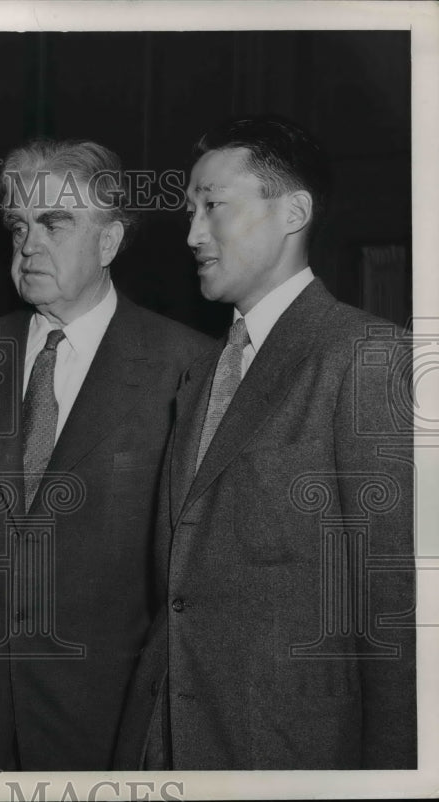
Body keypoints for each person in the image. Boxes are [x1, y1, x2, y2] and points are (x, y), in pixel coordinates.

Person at [113, 116, 417, 770]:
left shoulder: (366, 357)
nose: (192, 233)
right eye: (190, 211)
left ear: (293, 212)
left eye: (214, 207)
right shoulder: (199, 374)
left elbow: (397, 619)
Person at [0, 139, 211, 770]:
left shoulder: (184, 366)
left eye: (54, 223)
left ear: (109, 242)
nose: (28, 244)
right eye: (18, 225)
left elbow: (187, 572)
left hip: (107, 704)